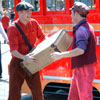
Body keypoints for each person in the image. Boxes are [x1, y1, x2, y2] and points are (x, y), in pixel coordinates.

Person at [51, 2, 97, 100]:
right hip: (81, 69)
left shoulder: (81, 30)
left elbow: (80, 50)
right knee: (73, 97)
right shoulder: (87, 26)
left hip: (83, 69)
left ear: (76, 14)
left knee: (85, 97)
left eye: (72, 13)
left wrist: (61, 55)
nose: (70, 15)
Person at [7, 1, 46, 100]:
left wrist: (38, 48)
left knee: (38, 93)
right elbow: (13, 51)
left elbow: (43, 37)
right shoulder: (13, 28)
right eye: (26, 11)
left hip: (32, 60)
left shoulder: (34, 22)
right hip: (17, 63)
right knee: (14, 94)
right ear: (19, 13)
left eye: (30, 11)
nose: (30, 13)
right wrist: (25, 57)